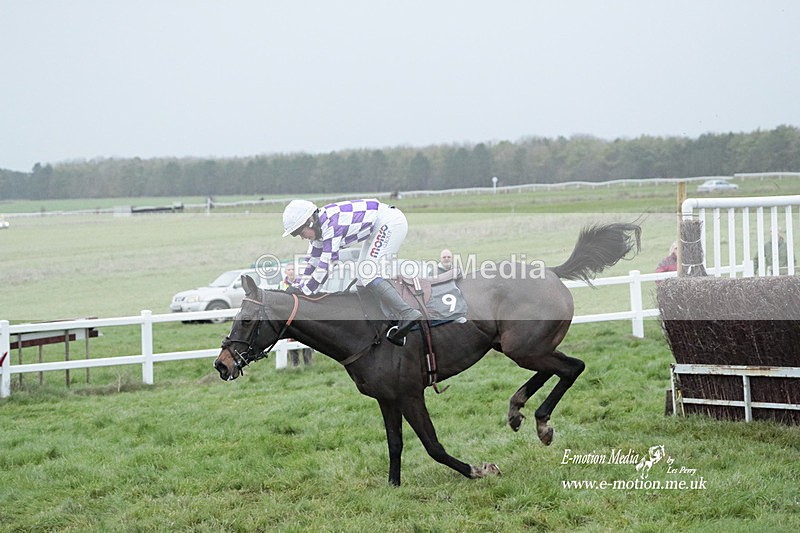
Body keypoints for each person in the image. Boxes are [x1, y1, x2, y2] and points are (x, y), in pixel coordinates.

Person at [282, 198, 423, 345]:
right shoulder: (319, 228)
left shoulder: (331, 224)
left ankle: (407, 312)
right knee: (362, 278)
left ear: (310, 221)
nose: (302, 237)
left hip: (390, 223)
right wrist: (299, 286)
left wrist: (305, 290)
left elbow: (328, 262)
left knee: (369, 274)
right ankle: (388, 324)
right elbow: (313, 261)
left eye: (300, 232)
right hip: (377, 228)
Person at [279, 263, 313, 367]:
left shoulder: (301, 283)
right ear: (285, 272)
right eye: (289, 269)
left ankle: (308, 364)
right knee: (291, 339)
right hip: (289, 316)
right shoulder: (281, 285)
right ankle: (295, 365)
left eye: (293, 269)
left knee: (306, 339)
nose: (291, 271)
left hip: (301, 314)